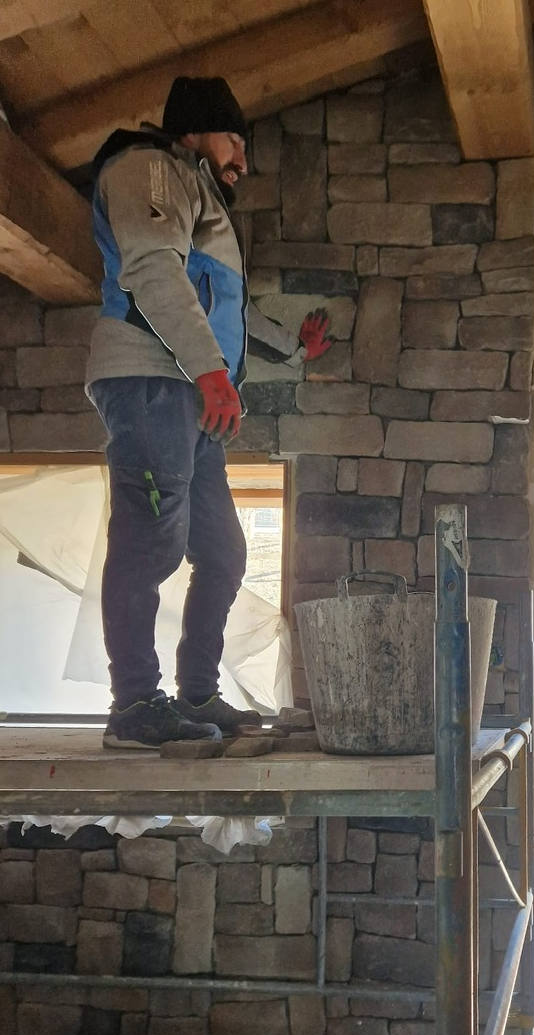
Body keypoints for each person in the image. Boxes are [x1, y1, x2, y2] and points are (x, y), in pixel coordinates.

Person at [85, 76, 330, 749]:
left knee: (222, 552)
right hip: (148, 380)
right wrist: (211, 372)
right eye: (234, 141)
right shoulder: (148, 172)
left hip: (190, 390)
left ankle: (196, 692)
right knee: (151, 540)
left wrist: (291, 351)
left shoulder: (200, 201)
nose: (243, 161)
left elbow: (223, 310)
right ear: (192, 131)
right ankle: (134, 704)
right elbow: (155, 273)